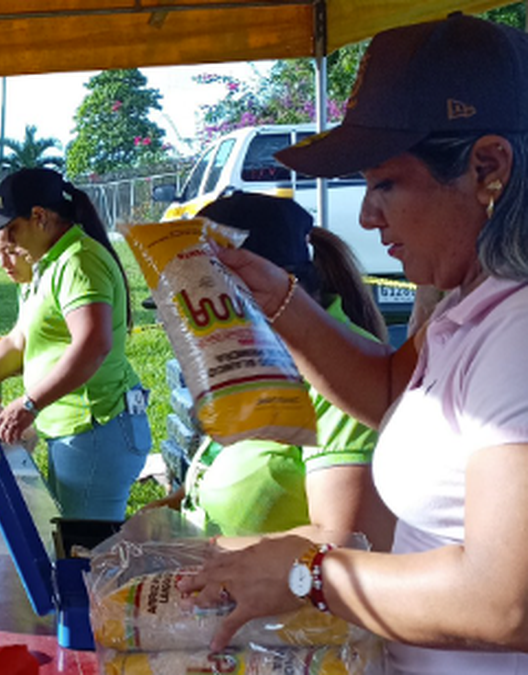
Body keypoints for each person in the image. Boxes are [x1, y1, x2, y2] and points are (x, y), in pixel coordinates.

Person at [176, 16, 528, 672]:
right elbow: (392, 393)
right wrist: (279, 296)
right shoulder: (468, 305)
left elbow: (506, 600)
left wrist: (310, 571)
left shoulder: (519, 334)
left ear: (488, 167)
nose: (368, 216)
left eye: (385, 184)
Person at [148, 192, 391, 545]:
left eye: (201, 307)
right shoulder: (253, 365)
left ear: (260, 287)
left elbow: (346, 544)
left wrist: (205, 554)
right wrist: (172, 511)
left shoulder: (343, 380)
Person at [0, 168, 151, 520]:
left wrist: (29, 403)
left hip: (98, 428)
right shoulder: (46, 265)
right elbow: (18, 343)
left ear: (39, 217)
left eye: (12, 230)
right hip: (74, 430)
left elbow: (93, 344)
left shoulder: (79, 261)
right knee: (75, 544)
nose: (8, 244)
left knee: (89, 553)